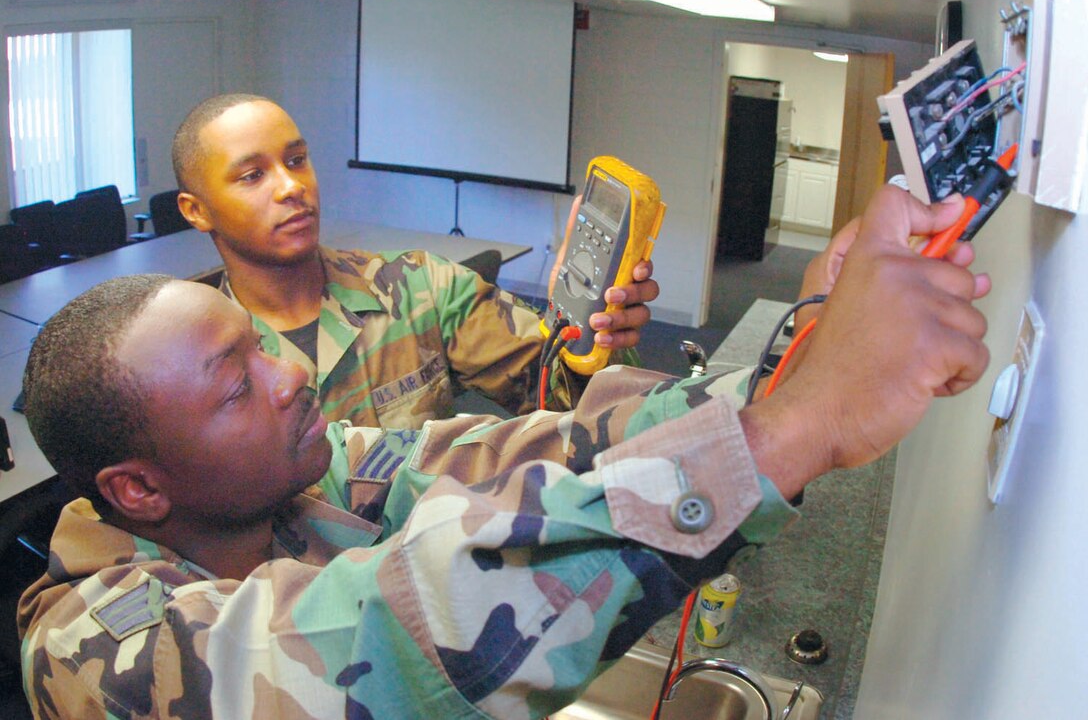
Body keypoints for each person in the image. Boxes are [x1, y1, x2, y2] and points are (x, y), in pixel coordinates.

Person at [18, 186, 990, 719]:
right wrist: (791, 432)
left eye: (258, 349)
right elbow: (374, 650)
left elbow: (547, 448)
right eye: (237, 386)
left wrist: (794, 366)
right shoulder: (97, 649)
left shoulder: (311, 474)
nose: (290, 378)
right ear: (137, 489)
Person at [171, 94, 660, 429]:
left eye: (297, 160)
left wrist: (587, 332)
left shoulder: (419, 287)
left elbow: (572, 404)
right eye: (253, 175)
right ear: (196, 210)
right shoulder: (189, 359)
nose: (291, 187)